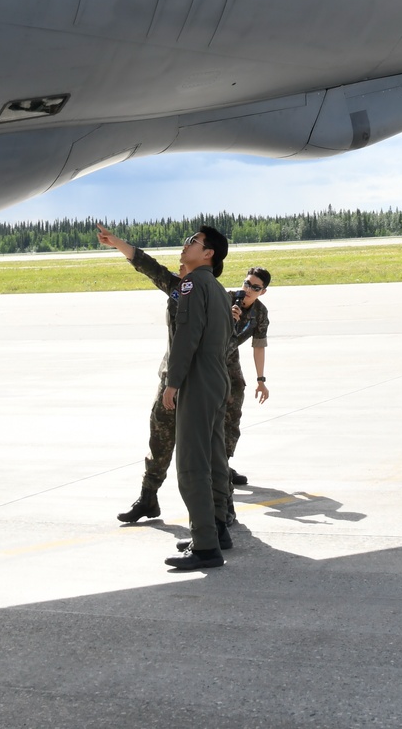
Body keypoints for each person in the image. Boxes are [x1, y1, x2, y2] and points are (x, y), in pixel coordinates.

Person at [97, 223, 233, 568]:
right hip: (218, 380)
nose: (186, 245)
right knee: (216, 460)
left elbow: (187, 338)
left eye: (194, 242)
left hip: (197, 382)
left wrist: (173, 383)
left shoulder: (190, 285)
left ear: (208, 254)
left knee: (191, 465)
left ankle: (205, 546)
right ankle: (217, 530)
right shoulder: (217, 289)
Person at [227, 267, 271, 488]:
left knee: (234, 408)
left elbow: (259, 346)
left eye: (255, 287)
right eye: (247, 284)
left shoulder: (260, 313)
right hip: (206, 357)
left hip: (229, 358)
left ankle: (223, 465)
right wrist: (227, 318)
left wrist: (261, 380)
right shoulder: (225, 299)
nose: (248, 290)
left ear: (262, 292)